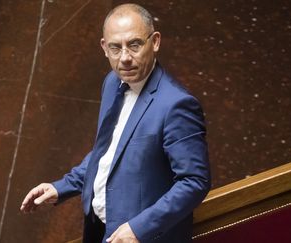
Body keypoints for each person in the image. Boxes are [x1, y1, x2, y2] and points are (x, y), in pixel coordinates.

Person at [21, 3, 211, 243]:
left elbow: (195, 182)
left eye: (134, 45)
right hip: (99, 228)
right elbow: (109, 151)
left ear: (155, 42)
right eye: (115, 47)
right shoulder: (112, 83)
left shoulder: (177, 104)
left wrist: (139, 229)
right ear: (104, 48)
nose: (125, 58)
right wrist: (63, 187)